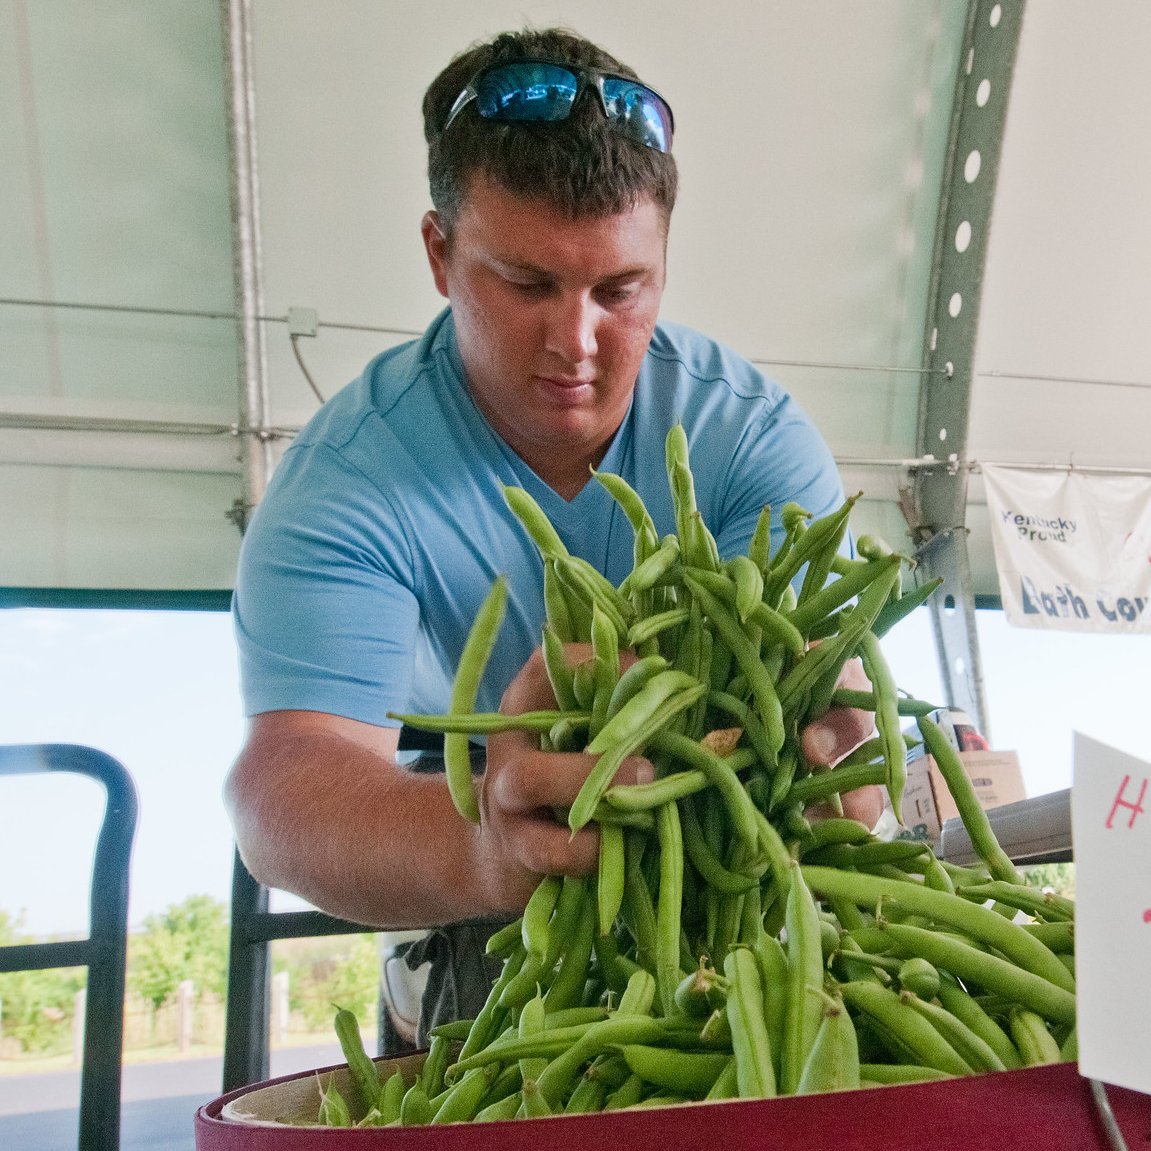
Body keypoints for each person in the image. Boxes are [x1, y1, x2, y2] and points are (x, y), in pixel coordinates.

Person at [224, 26, 882, 1049]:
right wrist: (489, 850)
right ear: (439, 254)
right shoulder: (352, 476)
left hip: (730, 871)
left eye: (620, 290)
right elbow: (284, 787)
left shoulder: (747, 436)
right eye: (526, 284)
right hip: (479, 869)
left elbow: (799, 701)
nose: (576, 342)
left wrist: (828, 751)